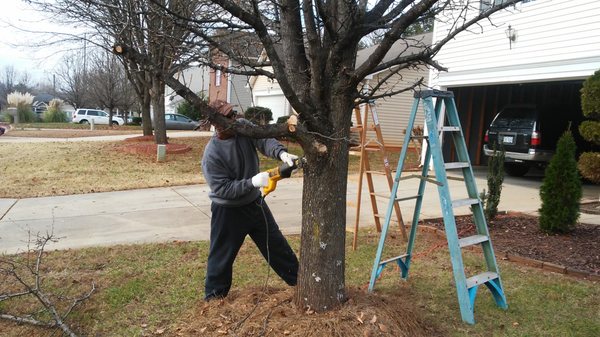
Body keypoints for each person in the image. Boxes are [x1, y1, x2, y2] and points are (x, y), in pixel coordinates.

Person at [201, 100, 300, 300]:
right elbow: (222, 188)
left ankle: (300, 282)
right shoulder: (212, 154)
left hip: (255, 204)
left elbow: (264, 140)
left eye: (232, 114)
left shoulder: (243, 127)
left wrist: (281, 153)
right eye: (227, 117)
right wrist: (252, 182)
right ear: (216, 123)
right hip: (227, 212)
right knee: (221, 257)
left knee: (276, 245)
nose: (233, 119)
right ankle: (213, 300)